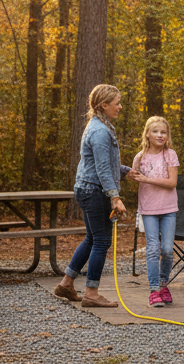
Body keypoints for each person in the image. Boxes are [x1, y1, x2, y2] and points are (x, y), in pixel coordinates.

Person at [54, 84, 131, 308]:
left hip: (88, 189)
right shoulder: (99, 131)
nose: (120, 107)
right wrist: (115, 197)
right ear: (103, 105)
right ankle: (92, 293)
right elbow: (103, 169)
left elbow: (105, 162)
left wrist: (126, 171)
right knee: (102, 241)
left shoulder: (100, 125)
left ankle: (67, 283)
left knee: (92, 238)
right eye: (117, 103)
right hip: (94, 191)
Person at [128, 116, 179, 307]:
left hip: (168, 209)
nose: (160, 135)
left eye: (163, 132)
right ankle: (154, 290)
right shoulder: (139, 157)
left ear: (167, 136)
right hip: (148, 209)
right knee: (152, 249)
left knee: (166, 249)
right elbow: (136, 180)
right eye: (155, 131)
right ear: (147, 134)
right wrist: (132, 177)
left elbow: (172, 183)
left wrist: (146, 179)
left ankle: (164, 284)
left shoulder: (170, 155)